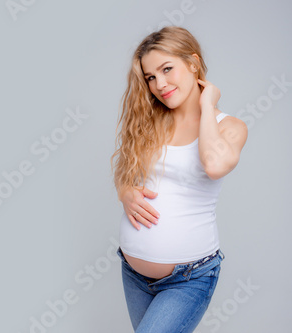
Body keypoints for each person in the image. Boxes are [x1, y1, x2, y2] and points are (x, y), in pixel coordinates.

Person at [110, 26, 248, 332]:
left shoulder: (230, 127)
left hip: (189, 278)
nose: (159, 84)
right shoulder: (149, 121)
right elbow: (125, 171)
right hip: (133, 273)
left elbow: (212, 164)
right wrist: (124, 192)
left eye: (167, 69)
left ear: (193, 63)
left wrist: (207, 103)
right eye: (150, 77)